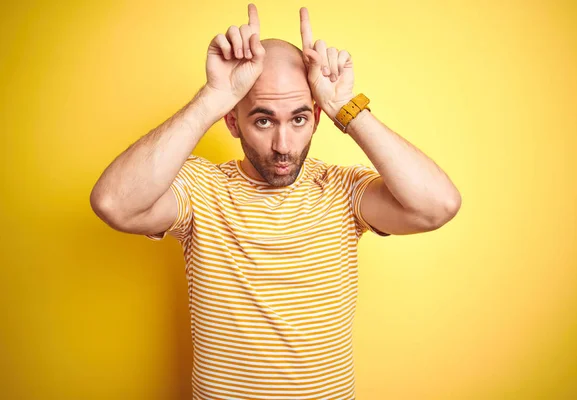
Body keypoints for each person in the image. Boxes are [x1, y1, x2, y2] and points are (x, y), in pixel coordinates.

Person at [90, 4, 461, 399]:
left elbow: (437, 206)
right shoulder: (201, 189)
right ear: (233, 122)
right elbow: (115, 203)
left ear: (317, 118)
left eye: (299, 119)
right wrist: (214, 97)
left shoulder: (343, 190)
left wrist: (344, 107)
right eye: (263, 120)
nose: (283, 147)